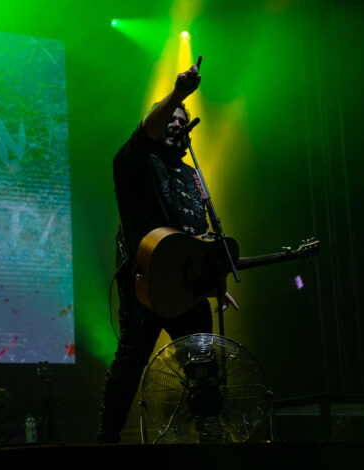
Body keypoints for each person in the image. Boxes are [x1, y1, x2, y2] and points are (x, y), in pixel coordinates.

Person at [96, 56, 238, 443]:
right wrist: (178, 94)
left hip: (187, 287)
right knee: (131, 360)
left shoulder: (192, 176)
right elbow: (143, 136)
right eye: (169, 118)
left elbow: (198, 233)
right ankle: (107, 439)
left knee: (203, 361)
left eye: (182, 119)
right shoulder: (135, 164)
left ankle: (209, 436)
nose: (176, 123)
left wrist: (214, 278)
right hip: (145, 283)